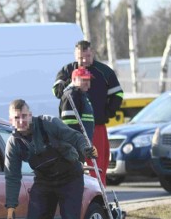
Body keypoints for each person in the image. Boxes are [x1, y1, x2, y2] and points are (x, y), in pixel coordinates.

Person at [4, 99, 97, 219]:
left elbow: (74, 137)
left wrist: (86, 149)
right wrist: (11, 206)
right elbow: (12, 176)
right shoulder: (14, 143)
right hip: (44, 181)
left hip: (70, 177)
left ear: (30, 115)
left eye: (24, 116)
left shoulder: (49, 124)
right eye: (16, 118)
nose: (21, 121)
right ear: (11, 120)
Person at [52, 40, 123, 186]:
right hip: (74, 129)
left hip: (97, 126)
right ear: (75, 55)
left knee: (99, 164)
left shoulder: (105, 71)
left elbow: (118, 95)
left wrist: (106, 113)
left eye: (87, 56)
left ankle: (99, 195)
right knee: (80, 164)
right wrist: (73, 82)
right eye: (80, 57)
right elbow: (57, 92)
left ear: (92, 54)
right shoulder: (67, 70)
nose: (84, 61)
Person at [60, 67, 95, 142]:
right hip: (77, 146)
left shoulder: (82, 95)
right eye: (84, 79)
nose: (87, 82)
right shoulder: (71, 95)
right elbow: (69, 125)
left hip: (84, 145)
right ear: (74, 80)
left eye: (88, 79)